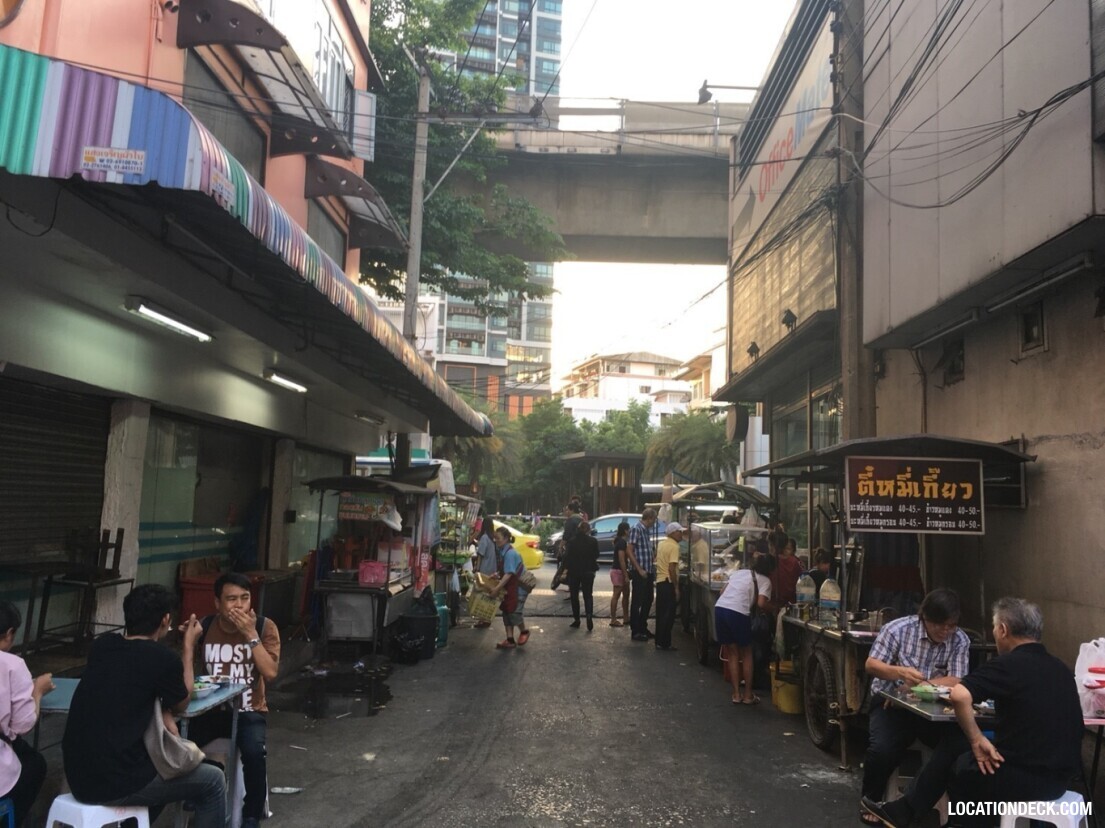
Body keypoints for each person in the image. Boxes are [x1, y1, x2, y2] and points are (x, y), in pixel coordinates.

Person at [862, 597, 1084, 828]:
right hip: (1059, 780)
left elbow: (959, 694)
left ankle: (950, 822)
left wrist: (977, 739)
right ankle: (904, 811)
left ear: (1003, 630)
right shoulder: (1061, 668)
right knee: (956, 742)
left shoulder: (1007, 664)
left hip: (1021, 778)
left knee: (965, 767)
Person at [62, 584, 226, 827]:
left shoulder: (102, 646)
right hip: (114, 782)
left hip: (78, 775)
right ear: (165, 620)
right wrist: (189, 645)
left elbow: (132, 685)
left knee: (158, 772)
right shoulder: (162, 658)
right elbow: (182, 702)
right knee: (213, 780)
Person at [858, 588, 971, 825]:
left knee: (957, 747)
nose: (946, 631)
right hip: (891, 703)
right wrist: (898, 672)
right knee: (882, 749)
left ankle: (921, 806)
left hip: (934, 708)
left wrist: (919, 687)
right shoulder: (897, 630)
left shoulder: (959, 639)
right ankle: (871, 799)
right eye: (940, 625)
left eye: (951, 625)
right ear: (924, 618)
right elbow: (871, 664)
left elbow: (956, 679)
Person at [187, 573, 280, 828]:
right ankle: (197, 796)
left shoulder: (264, 627)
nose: (239, 605)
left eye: (245, 598)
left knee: (253, 752)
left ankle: (250, 816)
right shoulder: (206, 627)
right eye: (231, 599)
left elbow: (270, 672)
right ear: (217, 603)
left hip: (251, 708)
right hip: (211, 709)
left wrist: (250, 635)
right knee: (180, 743)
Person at [0, 602, 51, 827]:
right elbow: (22, 725)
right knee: (35, 764)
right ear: (9, 633)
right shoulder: (11, 665)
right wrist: (37, 691)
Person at [714, 553, 777, 704]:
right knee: (747, 653)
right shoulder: (765, 581)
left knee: (733, 653)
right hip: (738, 612)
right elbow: (762, 603)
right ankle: (748, 695)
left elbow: (722, 592)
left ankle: (736, 694)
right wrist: (775, 608)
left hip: (720, 609)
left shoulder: (740, 572)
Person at [489, 526, 531, 649]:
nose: (496, 541)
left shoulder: (510, 553)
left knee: (514, 612)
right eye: (495, 538)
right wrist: (496, 575)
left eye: (499, 538)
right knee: (506, 611)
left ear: (506, 538)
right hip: (511, 588)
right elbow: (505, 570)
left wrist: (496, 589)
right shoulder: (504, 551)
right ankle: (510, 639)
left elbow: (508, 574)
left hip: (519, 589)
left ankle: (524, 631)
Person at [626, 507, 659, 642]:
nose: (654, 522)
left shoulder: (646, 531)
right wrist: (638, 569)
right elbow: (629, 550)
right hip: (640, 571)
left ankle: (642, 626)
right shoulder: (637, 529)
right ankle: (635, 630)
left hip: (648, 570)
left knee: (648, 599)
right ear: (649, 518)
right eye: (654, 519)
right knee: (637, 601)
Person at [564, 519, 600, 631]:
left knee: (574, 596)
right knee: (588, 595)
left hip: (574, 572)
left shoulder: (572, 541)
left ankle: (577, 619)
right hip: (589, 571)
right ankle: (589, 615)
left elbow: (567, 557)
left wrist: (565, 570)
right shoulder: (593, 541)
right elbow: (596, 555)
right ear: (588, 530)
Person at [653, 522, 683, 650]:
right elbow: (671, 568)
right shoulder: (674, 547)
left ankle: (659, 641)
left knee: (661, 613)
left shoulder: (661, 544)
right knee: (669, 614)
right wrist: (676, 588)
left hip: (660, 581)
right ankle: (665, 642)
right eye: (679, 531)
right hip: (668, 582)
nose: (681, 534)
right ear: (672, 533)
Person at [767, 530, 803, 612]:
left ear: (773, 546)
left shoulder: (770, 561)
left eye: (770, 544)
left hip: (772, 606)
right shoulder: (795, 561)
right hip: (791, 606)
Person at [473, 517, 498, 628]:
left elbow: (480, 555)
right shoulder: (492, 538)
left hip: (484, 570)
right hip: (493, 570)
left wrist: (477, 569)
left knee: (482, 595)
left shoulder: (484, 538)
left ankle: (483, 619)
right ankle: (486, 618)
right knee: (489, 596)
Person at [608, 521, 631, 627]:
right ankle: (613, 619)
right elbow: (621, 560)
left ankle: (626, 617)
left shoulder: (621, 541)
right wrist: (625, 575)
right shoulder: (621, 542)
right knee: (616, 595)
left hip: (619, 570)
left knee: (626, 594)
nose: (630, 531)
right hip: (618, 571)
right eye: (629, 529)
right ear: (625, 531)